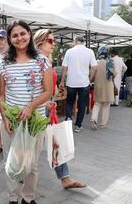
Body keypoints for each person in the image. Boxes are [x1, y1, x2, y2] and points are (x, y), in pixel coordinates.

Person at [0, 20, 52, 204]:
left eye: (23, 33)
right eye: (14, 35)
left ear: (29, 34)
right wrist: (4, 118)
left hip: (34, 121)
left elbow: (48, 91)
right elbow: (1, 95)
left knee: (32, 164)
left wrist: (30, 107)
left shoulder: (42, 61)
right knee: (11, 161)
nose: (19, 38)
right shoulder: (4, 63)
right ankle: (13, 198)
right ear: (10, 39)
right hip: (11, 121)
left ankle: (28, 198)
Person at [33, 29, 87, 189]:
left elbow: (51, 87)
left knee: (57, 143)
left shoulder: (47, 60)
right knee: (30, 150)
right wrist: (44, 103)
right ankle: (22, 182)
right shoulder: (34, 61)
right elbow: (30, 91)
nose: (54, 43)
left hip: (48, 110)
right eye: (50, 40)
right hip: (36, 112)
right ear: (39, 42)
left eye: (54, 40)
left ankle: (65, 179)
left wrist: (55, 92)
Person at [59, 36, 97, 132]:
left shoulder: (69, 51)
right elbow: (94, 68)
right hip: (84, 83)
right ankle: (78, 125)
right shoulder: (90, 52)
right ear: (83, 42)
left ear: (75, 42)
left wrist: (62, 81)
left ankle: (68, 119)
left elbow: (64, 67)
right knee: (82, 104)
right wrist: (90, 78)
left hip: (71, 82)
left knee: (69, 102)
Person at [90, 46, 118, 129]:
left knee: (97, 103)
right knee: (106, 105)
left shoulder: (95, 62)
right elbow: (115, 74)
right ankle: (103, 123)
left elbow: (92, 73)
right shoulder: (111, 62)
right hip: (108, 85)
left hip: (98, 85)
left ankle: (93, 119)